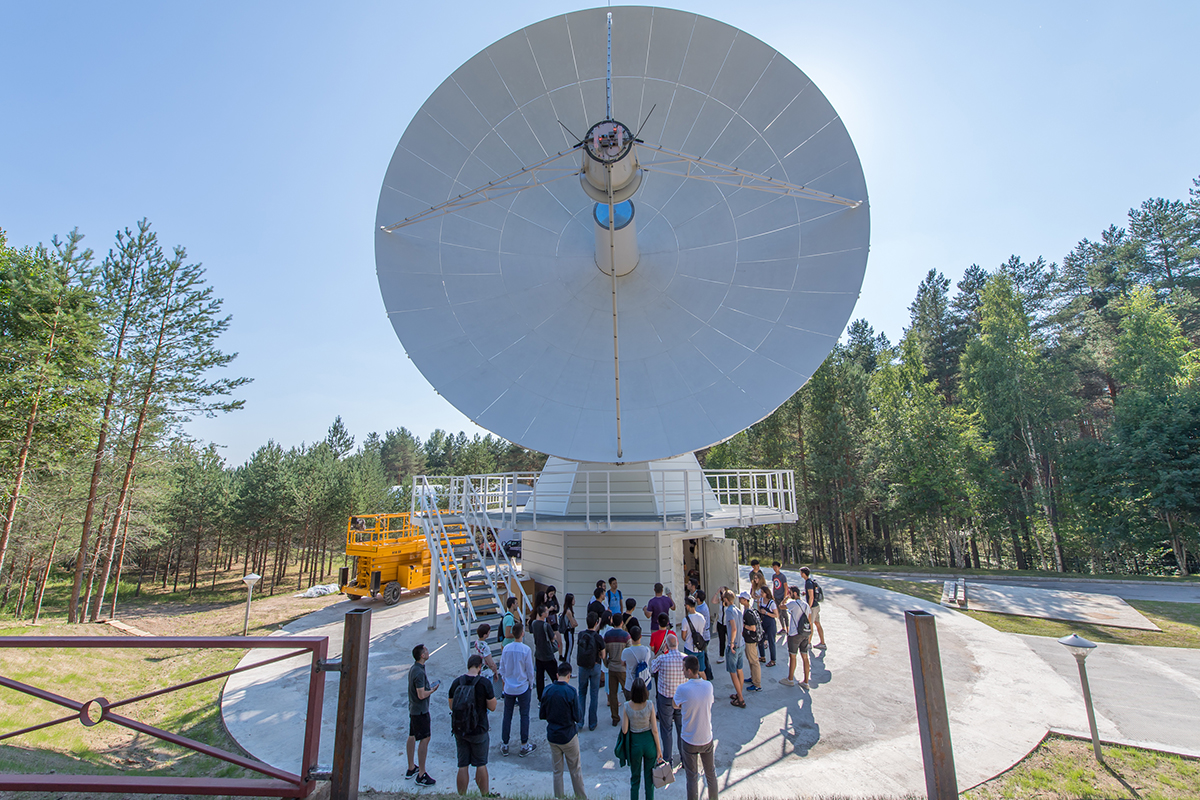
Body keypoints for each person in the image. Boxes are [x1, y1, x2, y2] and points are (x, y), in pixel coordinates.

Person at [449, 654, 498, 796]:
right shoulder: (484, 683)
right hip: (479, 729)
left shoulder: (457, 682)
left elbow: (452, 705)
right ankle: (485, 795)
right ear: (479, 667)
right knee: (481, 764)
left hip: (460, 730)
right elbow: (493, 706)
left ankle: (462, 796)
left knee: (462, 765)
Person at [541, 662, 587, 799]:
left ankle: (558, 797)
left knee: (557, 771)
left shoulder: (547, 690)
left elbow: (542, 714)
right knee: (575, 770)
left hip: (553, 735)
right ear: (568, 676)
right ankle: (581, 797)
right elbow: (577, 716)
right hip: (568, 736)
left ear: (557, 675)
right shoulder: (571, 692)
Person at [674, 656, 717, 800]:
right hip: (706, 737)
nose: (682, 671)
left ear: (690, 671)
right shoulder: (708, 686)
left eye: (684, 669)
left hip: (689, 739)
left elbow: (675, 704)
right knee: (711, 774)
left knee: (692, 778)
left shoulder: (682, 689)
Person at [621, 677, 663, 800]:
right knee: (649, 778)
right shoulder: (650, 705)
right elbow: (655, 730)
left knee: (635, 778)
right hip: (649, 742)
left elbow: (624, 730)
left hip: (635, 743)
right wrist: (659, 749)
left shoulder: (627, 706)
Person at [499, 621, 537, 757]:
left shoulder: (507, 649)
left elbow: (502, 668)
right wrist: (530, 683)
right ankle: (524, 744)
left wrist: (506, 680)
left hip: (509, 687)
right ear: (522, 633)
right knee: (524, 715)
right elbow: (530, 670)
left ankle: (505, 744)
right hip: (522, 686)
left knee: (507, 715)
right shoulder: (526, 650)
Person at [650, 633, 685, 766]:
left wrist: (660, 653)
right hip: (680, 699)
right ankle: (684, 758)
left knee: (666, 729)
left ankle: (668, 759)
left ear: (666, 645)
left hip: (665, 699)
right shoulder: (685, 658)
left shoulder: (662, 659)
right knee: (681, 728)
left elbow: (652, 668)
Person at [406, 644, 439, 785]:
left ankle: (411, 767)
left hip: (413, 709)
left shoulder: (414, 669)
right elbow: (421, 695)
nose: (428, 651)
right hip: (420, 711)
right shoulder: (419, 672)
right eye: (426, 650)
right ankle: (421, 774)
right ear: (422, 655)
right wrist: (432, 690)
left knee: (412, 735)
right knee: (425, 739)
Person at [576, 610, 604, 731]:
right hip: (595, 666)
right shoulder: (598, 637)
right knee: (594, 694)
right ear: (596, 622)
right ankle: (592, 723)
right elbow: (603, 655)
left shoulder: (581, 634)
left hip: (582, 666)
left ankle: (580, 722)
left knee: (581, 693)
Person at [782, 585, 812, 688]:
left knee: (793, 656)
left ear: (794, 593)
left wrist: (785, 598)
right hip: (805, 633)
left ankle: (790, 679)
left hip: (794, 634)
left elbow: (781, 606)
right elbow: (809, 619)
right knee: (805, 657)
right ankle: (806, 682)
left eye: (790, 593)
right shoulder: (806, 605)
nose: (789, 595)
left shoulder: (793, 604)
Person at [603, 611, 631, 725]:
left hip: (612, 667)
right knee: (627, 692)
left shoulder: (607, 636)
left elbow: (604, 652)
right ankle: (630, 714)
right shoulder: (626, 635)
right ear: (622, 622)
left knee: (613, 693)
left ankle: (615, 717)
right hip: (623, 668)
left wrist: (606, 663)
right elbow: (629, 652)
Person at [722, 590, 745, 707]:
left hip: (734, 645)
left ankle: (740, 699)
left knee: (732, 672)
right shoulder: (738, 610)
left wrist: (731, 643)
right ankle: (739, 692)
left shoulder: (730, 611)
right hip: (741, 643)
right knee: (739, 670)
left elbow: (734, 628)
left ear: (726, 600)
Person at [531, 604, 558, 702]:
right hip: (548, 654)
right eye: (546, 611)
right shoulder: (546, 625)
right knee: (555, 676)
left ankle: (540, 698)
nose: (548, 613)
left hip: (538, 654)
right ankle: (557, 695)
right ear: (542, 614)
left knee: (539, 678)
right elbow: (552, 637)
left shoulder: (534, 624)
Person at [738, 591, 762, 692]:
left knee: (754, 661)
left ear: (745, 600)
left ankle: (757, 684)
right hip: (750, 640)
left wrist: (743, 626)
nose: (739, 600)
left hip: (751, 640)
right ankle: (753, 678)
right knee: (751, 660)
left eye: (740, 598)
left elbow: (753, 628)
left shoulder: (748, 613)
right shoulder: (749, 610)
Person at [622, 624, 653, 701]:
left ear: (630, 637)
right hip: (644, 683)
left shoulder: (626, 651)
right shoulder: (646, 650)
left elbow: (622, 663)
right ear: (640, 636)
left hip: (630, 684)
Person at [679, 595, 707, 677]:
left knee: (690, 671)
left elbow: (683, 637)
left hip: (690, 648)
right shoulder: (701, 617)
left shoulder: (685, 620)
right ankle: (705, 686)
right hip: (700, 648)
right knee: (701, 671)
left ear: (687, 606)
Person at [801, 567, 827, 648]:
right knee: (817, 623)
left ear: (804, 574)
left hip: (812, 607)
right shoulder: (810, 581)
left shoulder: (808, 582)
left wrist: (808, 607)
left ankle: (808, 643)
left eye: (801, 573)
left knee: (810, 624)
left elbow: (811, 597)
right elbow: (811, 593)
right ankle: (822, 643)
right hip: (816, 606)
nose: (800, 574)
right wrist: (806, 593)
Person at [693, 589, 713, 681]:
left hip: (704, 636)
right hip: (705, 635)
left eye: (696, 596)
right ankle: (708, 674)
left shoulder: (701, 609)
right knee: (704, 656)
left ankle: (707, 675)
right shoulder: (702, 606)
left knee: (704, 656)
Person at [757, 585, 779, 667]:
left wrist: (766, 613)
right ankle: (762, 656)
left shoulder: (771, 603)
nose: (761, 594)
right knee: (760, 639)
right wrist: (758, 604)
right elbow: (760, 611)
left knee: (771, 641)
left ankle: (773, 660)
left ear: (767, 593)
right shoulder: (761, 600)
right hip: (763, 622)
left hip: (770, 623)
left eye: (762, 592)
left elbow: (776, 615)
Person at [771, 562, 789, 646]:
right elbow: (774, 586)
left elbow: (786, 587)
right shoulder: (774, 576)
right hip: (776, 597)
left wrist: (785, 598)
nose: (775, 568)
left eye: (776, 567)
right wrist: (773, 595)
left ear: (779, 567)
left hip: (782, 597)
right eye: (773, 567)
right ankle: (783, 628)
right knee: (779, 613)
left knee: (784, 613)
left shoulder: (782, 576)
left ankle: (788, 629)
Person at [561, 593, 578, 664]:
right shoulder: (568, 612)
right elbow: (573, 623)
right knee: (569, 649)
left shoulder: (569, 610)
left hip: (570, 632)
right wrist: (575, 623)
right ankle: (567, 665)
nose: (574, 601)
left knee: (569, 649)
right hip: (569, 632)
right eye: (573, 599)